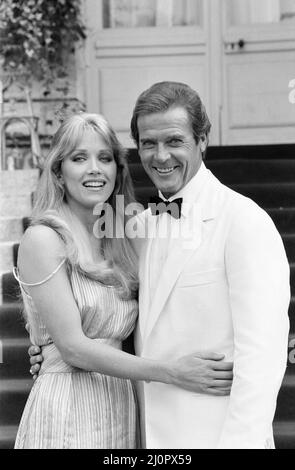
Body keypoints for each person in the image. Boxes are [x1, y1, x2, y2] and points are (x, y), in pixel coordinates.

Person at [15, 112, 233, 449]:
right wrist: (172, 372)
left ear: (118, 170)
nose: (94, 169)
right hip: (69, 406)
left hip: (120, 401)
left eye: (105, 158)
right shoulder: (44, 238)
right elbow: (73, 348)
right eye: (78, 158)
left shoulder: (122, 233)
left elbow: (196, 242)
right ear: (58, 172)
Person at [128, 81, 290, 449]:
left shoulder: (244, 221)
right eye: (148, 143)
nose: (160, 155)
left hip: (217, 436)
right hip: (149, 439)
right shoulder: (138, 228)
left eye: (174, 141)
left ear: (202, 139)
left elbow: (262, 359)